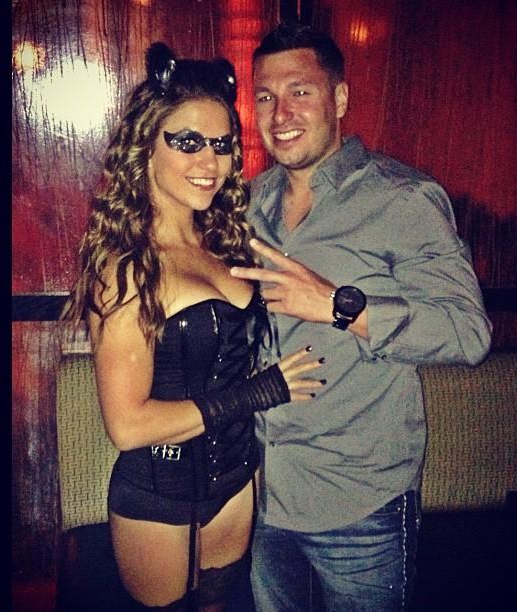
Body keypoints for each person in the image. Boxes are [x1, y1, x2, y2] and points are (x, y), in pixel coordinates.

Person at [228, 22, 493, 612]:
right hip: (263, 493)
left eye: (300, 91)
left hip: (360, 503)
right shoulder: (249, 203)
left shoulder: (403, 199)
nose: (280, 113)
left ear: (340, 98)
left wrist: (338, 307)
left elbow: (468, 333)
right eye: (266, 96)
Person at [61, 41, 323, 612]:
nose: (210, 162)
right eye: (187, 142)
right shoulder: (128, 268)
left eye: (222, 145)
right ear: (146, 147)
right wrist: (259, 392)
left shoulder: (223, 243)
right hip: (161, 493)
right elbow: (127, 426)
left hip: (237, 481)